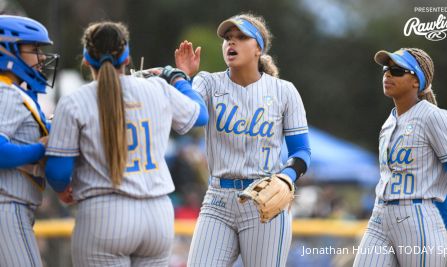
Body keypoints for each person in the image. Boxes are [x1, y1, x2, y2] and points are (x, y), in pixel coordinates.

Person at [44, 21, 208, 266]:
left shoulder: (75, 101)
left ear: (87, 59)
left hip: (104, 212)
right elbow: (200, 115)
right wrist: (178, 77)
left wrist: (62, 190)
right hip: (157, 214)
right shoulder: (157, 87)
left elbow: (58, 172)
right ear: (128, 57)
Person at [175, 13, 311, 266]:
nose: (231, 43)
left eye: (241, 37)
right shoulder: (207, 82)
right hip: (217, 199)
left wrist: (286, 178)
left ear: (258, 47)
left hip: (264, 202)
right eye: (228, 38)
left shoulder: (284, 91)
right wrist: (183, 77)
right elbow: (187, 121)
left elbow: (302, 152)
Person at [353, 48, 447, 267]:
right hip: (380, 215)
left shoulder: (435, 117)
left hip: (418, 217)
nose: (388, 75)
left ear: (416, 81)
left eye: (397, 70)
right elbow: (431, 179)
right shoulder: (388, 122)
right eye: (386, 69)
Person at [0, 15, 59, 266]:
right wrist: (40, 149)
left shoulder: (14, 92)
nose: (42, 57)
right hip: (7, 206)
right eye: (34, 49)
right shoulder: (5, 92)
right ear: (7, 49)